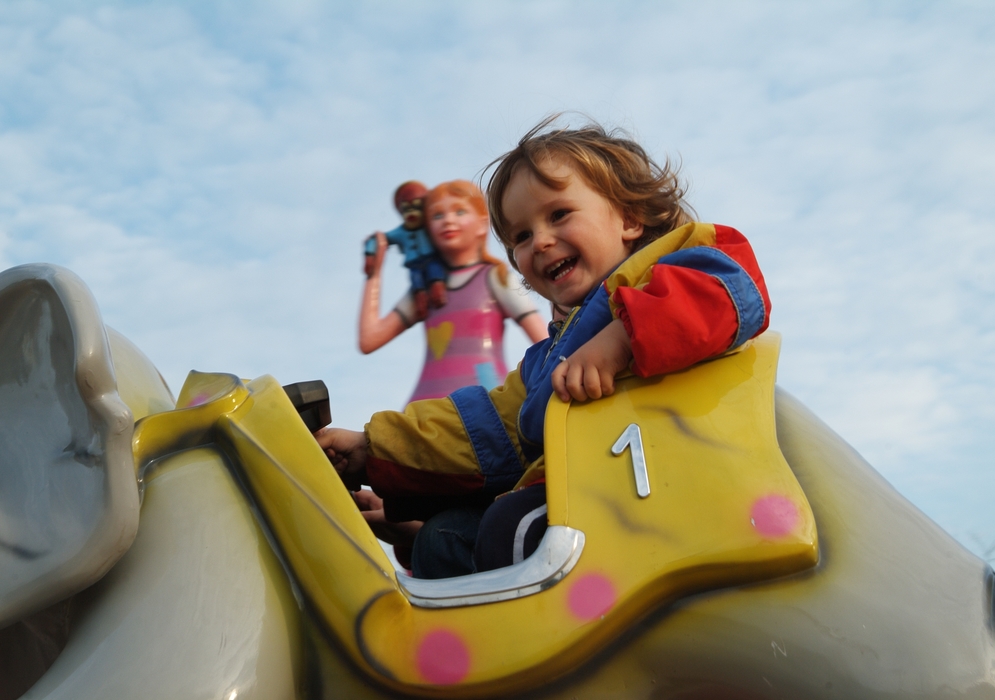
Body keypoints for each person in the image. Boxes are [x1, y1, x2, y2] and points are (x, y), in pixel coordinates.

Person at [321, 118, 771, 579]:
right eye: (520, 236)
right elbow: (482, 432)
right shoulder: (547, 361)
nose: (540, 241)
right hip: (580, 500)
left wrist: (619, 338)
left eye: (558, 215)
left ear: (630, 218)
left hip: (666, 494)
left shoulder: (674, 263)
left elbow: (732, 292)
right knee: (443, 537)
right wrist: (372, 450)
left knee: (508, 526)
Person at [359, 180, 548, 404]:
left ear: (481, 223)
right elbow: (369, 339)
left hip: (487, 400)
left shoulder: (494, 278)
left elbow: (547, 342)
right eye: (437, 215)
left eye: (460, 211)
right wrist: (374, 272)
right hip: (427, 405)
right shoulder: (426, 291)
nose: (448, 220)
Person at [363, 181, 447, 321]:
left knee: (436, 276)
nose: (411, 214)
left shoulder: (430, 225)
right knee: (417, 284)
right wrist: (370, 255)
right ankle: (421, 305)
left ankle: (438, 292)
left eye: (416, 207)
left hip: (432, 260)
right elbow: (376, 239)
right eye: (406, 209)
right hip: (414, 266)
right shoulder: (400, 233)